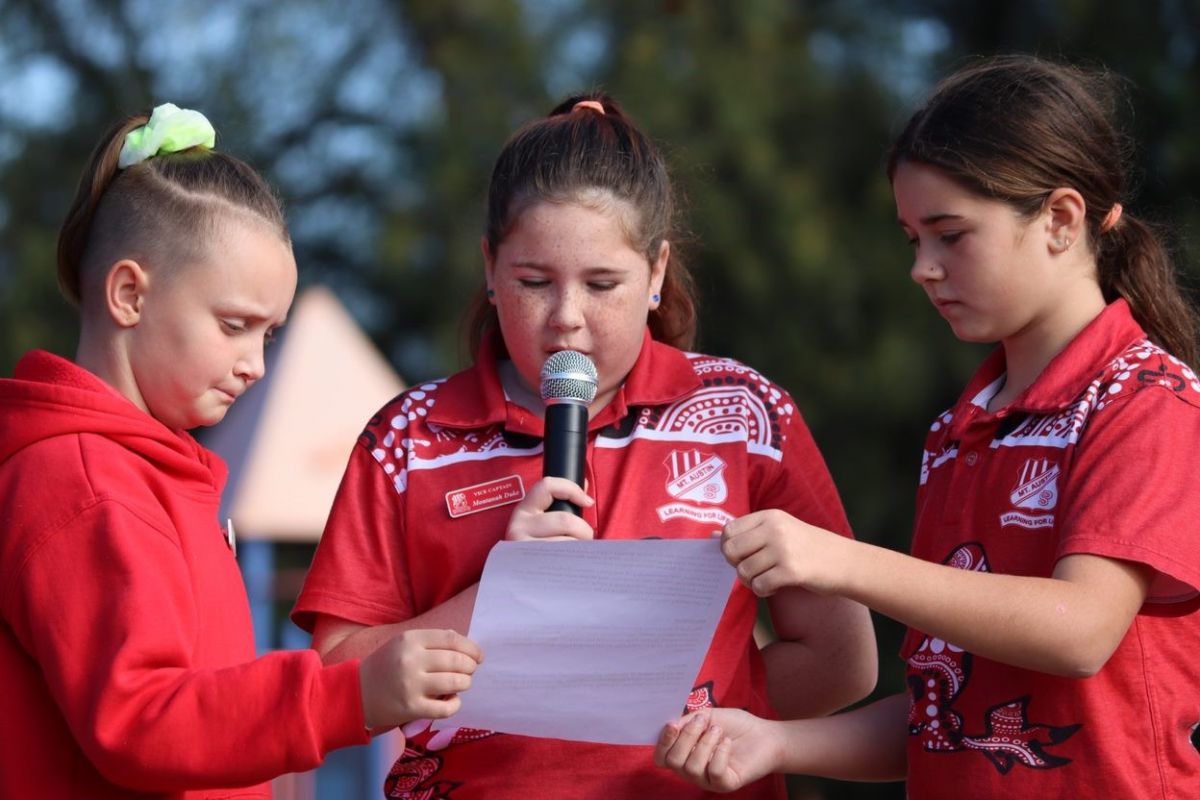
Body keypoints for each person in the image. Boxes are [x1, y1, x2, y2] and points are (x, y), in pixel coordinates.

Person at [291, 93, 878, 799]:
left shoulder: (744, 417)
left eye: (603, 284)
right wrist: (510, 594)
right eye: (534, 282)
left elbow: (842, 662)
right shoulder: (409, 438)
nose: (566, 318)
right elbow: (332, 678)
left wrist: (696, 715)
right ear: (488, 265)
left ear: (657, 273)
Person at [654, 55, 1200, 799]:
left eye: (951, 234)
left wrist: (838, 561)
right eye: (914, 239)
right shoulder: (958, 431)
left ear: (1062, 220)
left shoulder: (1146, 399)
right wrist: (776, 742)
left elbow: (1080, 631)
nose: (924, 268)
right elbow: (944, 716)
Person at [0, 103, 482, 800]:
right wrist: (349, 697)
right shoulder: (88, 485)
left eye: (269, 334)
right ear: (129, 293)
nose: (254, 363)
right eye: (233, 326)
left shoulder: (135, 473)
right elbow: (138, 720)